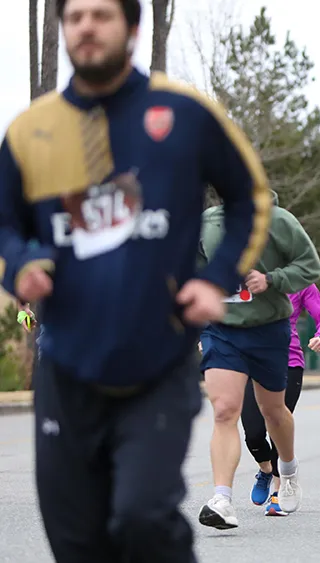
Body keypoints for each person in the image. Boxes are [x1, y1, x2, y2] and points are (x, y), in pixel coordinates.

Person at [0, 0, 272, 559]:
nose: (86, 27)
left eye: (101, 14)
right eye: (74, 16)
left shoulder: (185, 113)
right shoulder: (32, 130)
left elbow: (251, 197)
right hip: (68, 366)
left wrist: (215, 279)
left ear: (132, 25)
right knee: (76, 541)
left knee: (142, 517)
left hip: (157, 359)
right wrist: (21, 263)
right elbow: (5, 222)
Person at [198, 189, 320, 529]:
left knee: (273, 412)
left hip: (268, 329)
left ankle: (289, 469)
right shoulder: (206, 224)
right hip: (221, 330)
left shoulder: (279, 220)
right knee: (224, 410)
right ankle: (221, 499)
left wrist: (273, 280)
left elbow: (310, 266)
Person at [243, 283, 320, 515]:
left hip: (288, 363)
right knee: (253, 433)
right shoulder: (246, 277)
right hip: (250, 362)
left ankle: (278, 490)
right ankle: (265, 469)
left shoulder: (300, 283)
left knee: (277, 425)